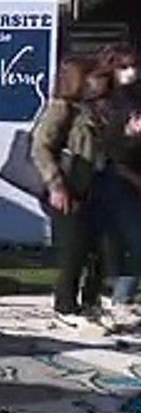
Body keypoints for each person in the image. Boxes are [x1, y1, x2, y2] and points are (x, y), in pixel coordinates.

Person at [31, 54, 112, 326]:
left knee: (100, 247)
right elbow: (40, 147)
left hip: (92, 186)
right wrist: (55, 184)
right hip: (66, 187)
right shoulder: (61, 108)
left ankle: (91, 301)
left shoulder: (90, 108)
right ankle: (66, 303)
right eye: (93, 76)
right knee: (75, 247)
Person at [91, 46, 141, 316]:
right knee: (127, 241)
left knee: (126, 243)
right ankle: (118, 297)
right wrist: (130, 136)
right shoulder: (104, 102)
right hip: (115, 178)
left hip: (130, 176)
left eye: (134, 65)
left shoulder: (132, 98)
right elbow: (110, 147)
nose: (131, 72)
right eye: (124, 66)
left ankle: (121, 296)